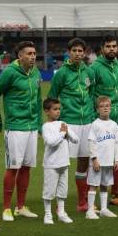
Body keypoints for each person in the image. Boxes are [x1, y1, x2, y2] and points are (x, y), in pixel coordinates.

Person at [0, 41, 41, 220]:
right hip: (14, 127)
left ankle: (21, 206)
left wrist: (39, 124)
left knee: (27, 167)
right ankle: (6, 208)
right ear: (20, 56)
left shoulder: (35, 72)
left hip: (31, 127)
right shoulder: (9, 73)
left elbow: (37, 99)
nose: (33, 56)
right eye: (29, 53)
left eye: (34, 53)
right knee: (13, 167)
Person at [48, 38, 95, 212]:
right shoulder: (61, 73)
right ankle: (56, 201)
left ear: (84, 53)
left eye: (80, 51)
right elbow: (52, 97)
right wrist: (53, 123)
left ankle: (82, 202)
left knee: (84, 161)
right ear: (69, 52)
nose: (77, 54)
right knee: (62, 163)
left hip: (87, 122)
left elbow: (92, 94)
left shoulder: (89, 72)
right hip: (69, 122)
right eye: (74, 50)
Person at [89, 36, 118, 207]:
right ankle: (88, 199)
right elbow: (90, 95)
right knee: (95, 159)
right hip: (99, 122)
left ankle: (114, 195)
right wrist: (93, 119)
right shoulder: (95, 68)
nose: (111, 49)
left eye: (114, 46)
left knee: (115, 160)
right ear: (102, 48)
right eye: (108, 46)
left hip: (117, 122)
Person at [41, 98, 78, 225]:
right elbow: (51, 143)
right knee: (49, 190)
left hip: (64, 163)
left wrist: (67, 132)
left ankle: (61, 213)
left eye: (59, 109)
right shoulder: (46, 127)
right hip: (51, 164)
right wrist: (62, 134)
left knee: (63, 189)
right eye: (55, 109)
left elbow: (75, 139)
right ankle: (47, 214)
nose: (58, 112)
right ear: (47, 111)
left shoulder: (63, 123)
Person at [86, 96, 118, 219]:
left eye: (107, 106)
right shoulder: (95, 124)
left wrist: (117, 159)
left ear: (111, 108)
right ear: (97, 109)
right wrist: (94, 159)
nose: (105, 108)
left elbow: (117, 143)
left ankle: (104, 209)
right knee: (93, 184)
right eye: (102, 106)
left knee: (105, 184)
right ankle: (90, 210)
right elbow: (91, 142)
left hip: (109, 161)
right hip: (98, 162)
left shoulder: (114, 125)